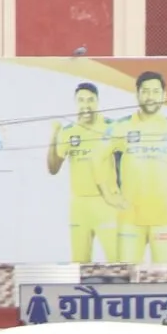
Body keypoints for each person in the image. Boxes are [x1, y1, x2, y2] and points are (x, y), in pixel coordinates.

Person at [48, 80, 125, 261]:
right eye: (81, 100)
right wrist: (54, 135)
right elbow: (53, 168)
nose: (86, 105)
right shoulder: (68, 131)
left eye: (90, 100)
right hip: (79, 205)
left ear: (97, 102)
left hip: (106, 204)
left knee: (117, 261)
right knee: (79, 263)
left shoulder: (111, 127)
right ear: (76, 103)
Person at [119, 69, 167, 265]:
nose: (150, 97)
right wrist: (108, 193)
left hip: (164, 219)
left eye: (156, 91)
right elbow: (99, 157)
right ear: (137, 94)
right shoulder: (121, 127)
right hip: (130, 220)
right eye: (146, 91)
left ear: (165, 96)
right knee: (125, 279)